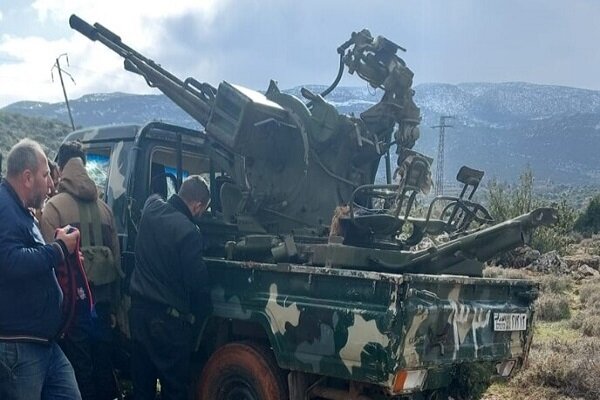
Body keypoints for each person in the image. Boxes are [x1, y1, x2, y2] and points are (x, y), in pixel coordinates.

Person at [41, 141, 123, 400]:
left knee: (78, 375)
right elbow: (117, 263)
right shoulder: (106, 210)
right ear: (84, 166)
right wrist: (116, 309)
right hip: (103, 306)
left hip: (72, 310)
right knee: (103, 368)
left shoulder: (54, 207)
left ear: (61, 167)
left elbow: (47, 266)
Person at [0, 138, 81, 400]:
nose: (50, 183)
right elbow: (11, 261)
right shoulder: (4, 207)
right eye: (45, 175)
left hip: (44, 342)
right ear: (27, 177)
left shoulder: (21, 210)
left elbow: (31, 257)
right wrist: (58, 249)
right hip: (19, 347)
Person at [129, 175, 211, 400]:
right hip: (169, 324)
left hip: (139, 315)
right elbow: (198, 284)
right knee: (174, 389)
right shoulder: (188, 232)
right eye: (203, 210)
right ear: (197, 205)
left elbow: (153, 196)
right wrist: (203, 313)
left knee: (142, 387)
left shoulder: (151, 208)